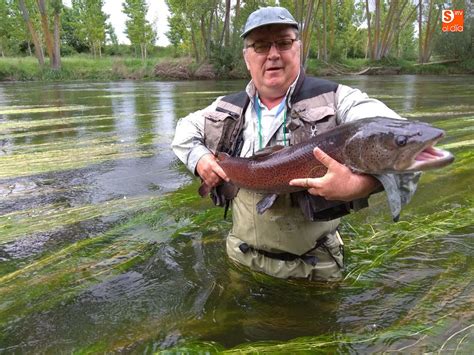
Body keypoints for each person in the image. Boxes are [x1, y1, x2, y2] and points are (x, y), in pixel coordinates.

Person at [172, 6, 419, 281]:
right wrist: (200, 160)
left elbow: (395, 137)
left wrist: (359, 185)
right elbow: (182, 132)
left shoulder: (339, 99)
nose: (273, 54)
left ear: (298, 48)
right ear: (247, 58)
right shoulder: (225, 107)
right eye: (261, 45)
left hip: (315, 267)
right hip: (241, 259)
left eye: (284, 42)